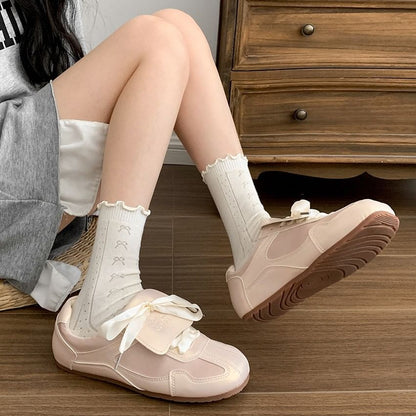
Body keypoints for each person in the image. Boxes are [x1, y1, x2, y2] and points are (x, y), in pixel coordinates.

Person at [0, 0, 399, 403]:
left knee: (178, 27)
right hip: (12, 177)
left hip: (29, 168)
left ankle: (251, 235)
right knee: (153, 38)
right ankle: (105, 302)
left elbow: (64, 85)